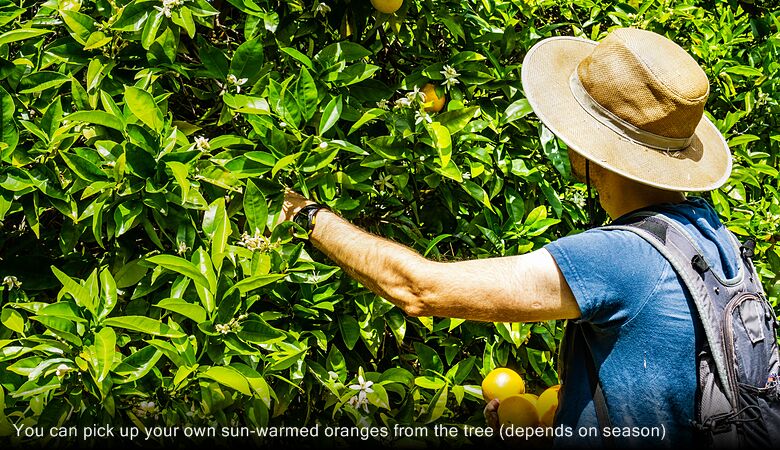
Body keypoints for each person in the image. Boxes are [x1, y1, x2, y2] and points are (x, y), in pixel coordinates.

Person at [276, 28, 738, 448]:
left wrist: (310, 216)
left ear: (590, 143)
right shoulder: (710, 234)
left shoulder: (621, 256)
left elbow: (418, 288)